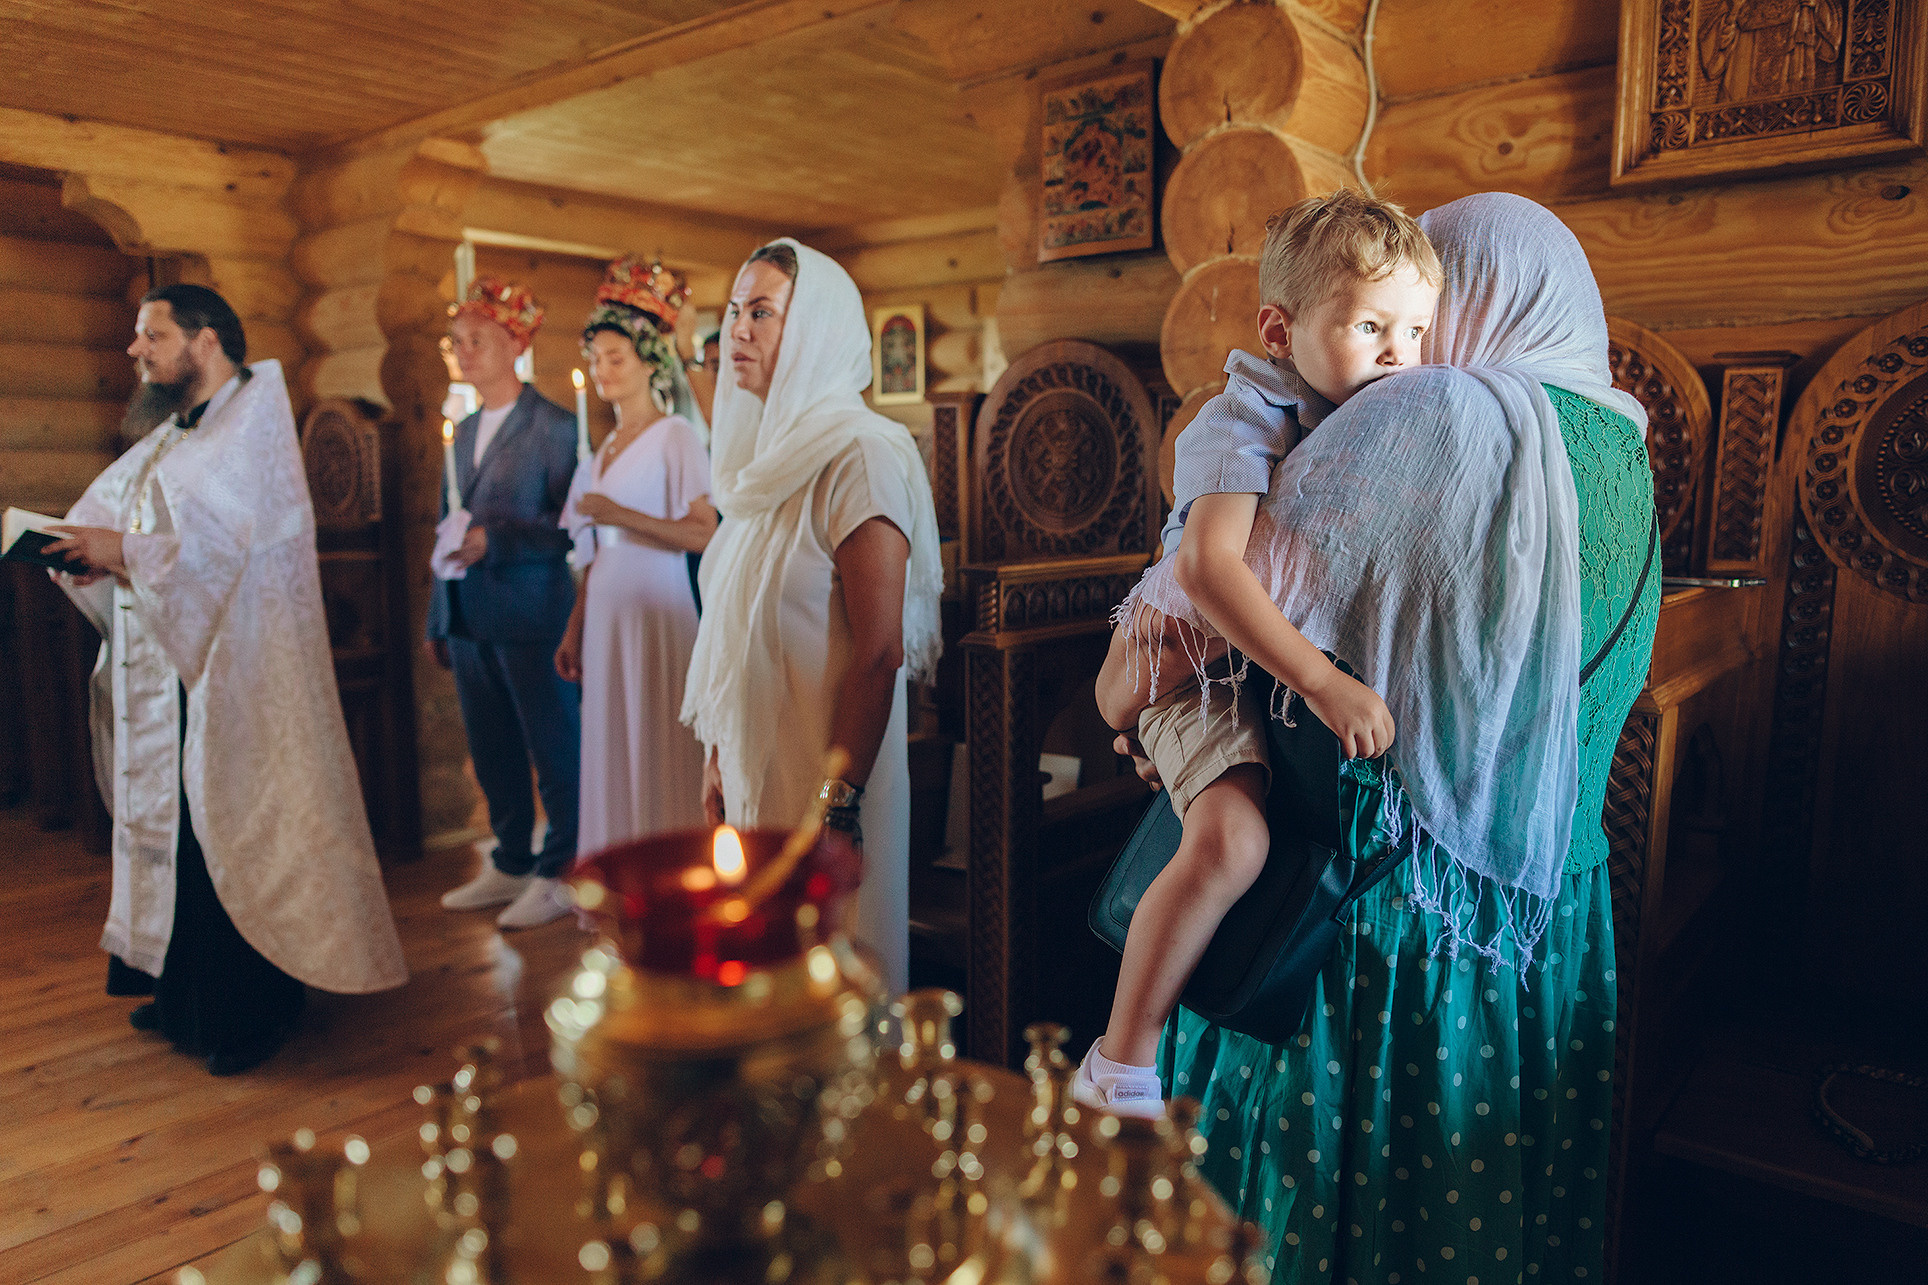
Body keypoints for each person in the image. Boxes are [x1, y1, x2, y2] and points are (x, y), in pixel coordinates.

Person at [1129, 193, 1657, 1282]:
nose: (1410, 349)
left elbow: (1165, 632)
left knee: (1322, 1211)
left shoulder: (1438, 418)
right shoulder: (1625, 450)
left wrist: (1136, 707)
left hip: (1390, 912)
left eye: (1428, 314)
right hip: (1553, 907)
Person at [1082, 191, 1441, 1114]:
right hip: (1188, 662)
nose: (1399, 353)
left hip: (1243, 665)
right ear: (1280, 330)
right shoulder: (1242, 416)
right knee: (1235, 840)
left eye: (1415, 329)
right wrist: (1319, 681)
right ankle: (1119, 1062)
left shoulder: (1360, 416)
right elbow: (1207, 568)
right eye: (1370, 325)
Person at [46, 283, 407, 1075]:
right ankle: (182, 994)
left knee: (227, 828)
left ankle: (249, 1011)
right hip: (173, 663)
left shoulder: (251, 426)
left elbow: (218, 551)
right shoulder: (181, 431)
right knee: (176, 829)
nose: (136, 350)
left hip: (238, 668)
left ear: (204, 340)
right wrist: (83, 548)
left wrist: (122, 551)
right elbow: (124, 512)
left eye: (152, 335)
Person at [680, 240, 942, 996]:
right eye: (735, 310)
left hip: (828, 771)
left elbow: (879, 652)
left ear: (816, 327)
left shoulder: (860, 455)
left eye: (762, 312)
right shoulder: (759, 469)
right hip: (757, 758)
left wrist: (836, 806)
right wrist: (719, 753)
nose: (737, 329)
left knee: (835, 984)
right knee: (766, 982)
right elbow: (735, 629)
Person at [428, 277, 583, 930]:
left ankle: (563, 869)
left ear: (516, 344)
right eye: (456, 341)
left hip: (532, 613)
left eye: (478, 340)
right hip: (468, 616)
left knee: (554, 746)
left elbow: (572, 528)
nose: (464, 352)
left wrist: (498, 540)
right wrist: (438, 616)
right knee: (491, 749)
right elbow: (445, 526)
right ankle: (511, 858)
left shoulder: (555, 427)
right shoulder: (460, 431)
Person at [556, 258, 716, 855]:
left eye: (615, 358)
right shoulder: (602, 448)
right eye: (596, 359)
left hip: (658, 606)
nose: (602, 370)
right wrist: (575, 626)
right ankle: (617, 871)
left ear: (650, 361)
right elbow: (594, 551)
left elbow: (704, 532)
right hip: (606, 611)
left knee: (657, 736)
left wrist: (619, 514)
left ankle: (673, 866)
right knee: (613, 739)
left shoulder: (676, 435)